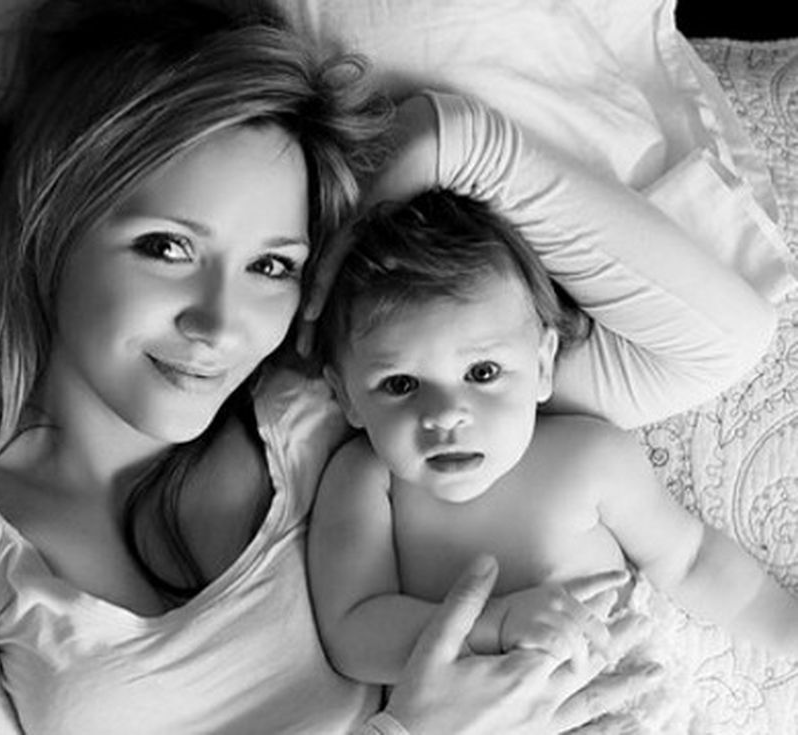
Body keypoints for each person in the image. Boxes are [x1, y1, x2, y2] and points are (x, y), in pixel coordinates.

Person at [0, 0, 775, 733]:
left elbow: (713, 342)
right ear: (50, 226)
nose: (219, 322)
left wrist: (451, 143)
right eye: (166, 247)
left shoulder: (343, 405)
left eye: (271, 265)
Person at [309, 183, 798, 726]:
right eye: (400, 384)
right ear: (347, 395)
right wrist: (494, 624)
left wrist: (787, 629)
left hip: (616, 708)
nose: (445, 415)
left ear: (543, 365)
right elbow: (353, 633)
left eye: (482, 372)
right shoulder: (366, 479)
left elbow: (690, 559)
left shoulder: (588, 458)